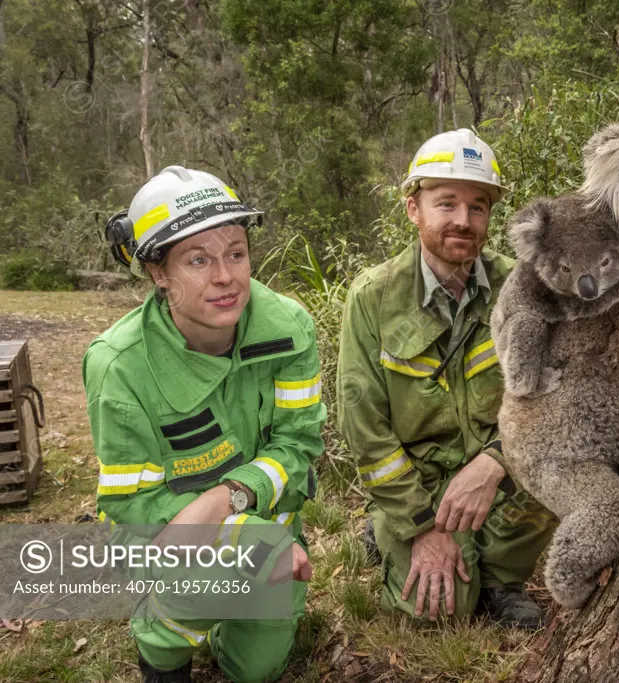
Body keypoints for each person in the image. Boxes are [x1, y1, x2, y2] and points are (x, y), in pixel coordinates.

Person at [84, 166, 326, 682]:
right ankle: (162, 644)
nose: (226, 277)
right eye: (198, 259)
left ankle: (237, 614)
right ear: (157, 272)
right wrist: (243, 536)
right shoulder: (120, 366)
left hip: (269, 528)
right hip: (169, 537)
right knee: (190, 596)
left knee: (256, 669)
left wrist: (229, 498)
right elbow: (133, 506)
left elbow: (299, 442)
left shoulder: (289, 329)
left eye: (236, 252)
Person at [337, 129, 555, 628]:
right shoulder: (373, 298)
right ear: (413, 208)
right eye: (446, 203)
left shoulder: (521, 286)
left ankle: (502, 577)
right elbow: (364, 430)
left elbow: (551, 396)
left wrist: (494, 462)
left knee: (562, 459)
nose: (463, 220)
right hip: (419, 481)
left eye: (478, 206)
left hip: (498, 469)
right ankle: (387, 532)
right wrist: (418, 528)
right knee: (439, 611)